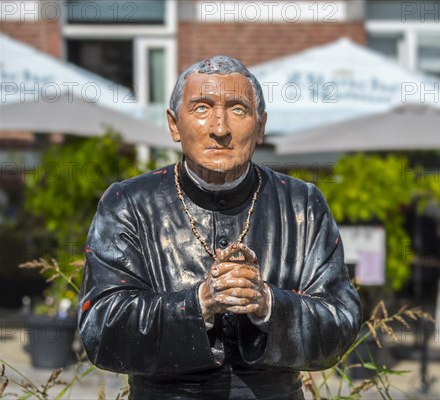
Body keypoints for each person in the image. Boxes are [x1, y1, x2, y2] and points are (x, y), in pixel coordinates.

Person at [78, 56, 361, 399]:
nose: (220, 128)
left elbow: (342, 323)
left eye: (238, 110)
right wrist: (198, 303)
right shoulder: (128, 202)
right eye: (201, 108)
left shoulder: (301, 204)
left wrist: (269, 304)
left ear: (261, 127)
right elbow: (101, 330)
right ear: (173, 124)